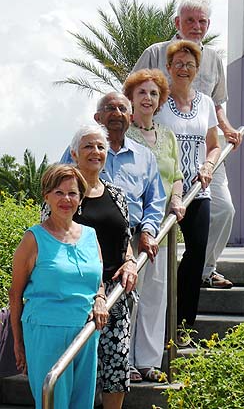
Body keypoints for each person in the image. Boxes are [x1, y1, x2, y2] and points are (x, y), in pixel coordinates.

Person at [133, 0, 242, 288]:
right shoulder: (155, 53)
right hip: (161, 151)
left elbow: (217, 103)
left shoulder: (214, 58)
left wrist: (228, 128)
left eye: (202, 21)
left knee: (224, 209)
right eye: (190, 20)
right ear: (177, 23)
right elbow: (132, 92)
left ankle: (205, 269)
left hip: (204, 146)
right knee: (154, 219)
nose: (196, 26)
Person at [61, 94, 166, 384]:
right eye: (109, 108)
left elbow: (156, 199)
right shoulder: (74, 158)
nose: (116, 113)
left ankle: (134, 363)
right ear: (98, 117)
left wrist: (145, 233)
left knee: (125, 323)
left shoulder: (144, 157)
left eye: (122, 108)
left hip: (126, 247)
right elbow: (56, 197)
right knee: (80, 354)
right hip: (77, 268)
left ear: (131, 117)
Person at [9, 164, 109, 409]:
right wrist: (18, 342)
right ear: (46, 197)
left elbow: (98, 281)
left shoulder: (90, 235)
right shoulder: (33, 238)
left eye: (72, 193)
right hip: (46, 331)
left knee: (83, 404)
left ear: (81, 198)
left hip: (86, 333)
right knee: (54, 403)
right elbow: (15, 293)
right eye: (59, 192)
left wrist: (100, 297)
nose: (66, 199)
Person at [154, 39, 221, 345]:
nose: (183, 69)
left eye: (189, 64)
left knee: (195, 254)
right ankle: (155, 326)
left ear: (197, 70)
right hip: (162, 190)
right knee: (155, 259)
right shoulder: (157, 100)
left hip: (196, 191)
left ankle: (182, 326)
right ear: (168, 68)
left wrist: (208, 166)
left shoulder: (206, 103)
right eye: (178, 64)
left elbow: (214, 145)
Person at [70, 125, 138, 409]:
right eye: (88, 146)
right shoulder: (65, 194)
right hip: (78, 292)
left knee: (117, 368)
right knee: (77, 368)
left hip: (115, 295)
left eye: (100, 146)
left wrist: (131, 260)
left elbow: (126, 238)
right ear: (74, 153)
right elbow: (52, 238)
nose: (95, 152)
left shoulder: (117, 194)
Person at [123, 68, 185, 373]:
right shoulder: (124, 134)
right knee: (131, 291)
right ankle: (127, 362)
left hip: (162, 227)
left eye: (154, 93)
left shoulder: (167, 135)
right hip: (132, 224)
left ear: (160, 100)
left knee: (156, 293)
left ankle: (147, 362)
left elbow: (176, 176)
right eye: (142, 93)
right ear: (131, 98)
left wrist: (177, 198)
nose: (148, 98)